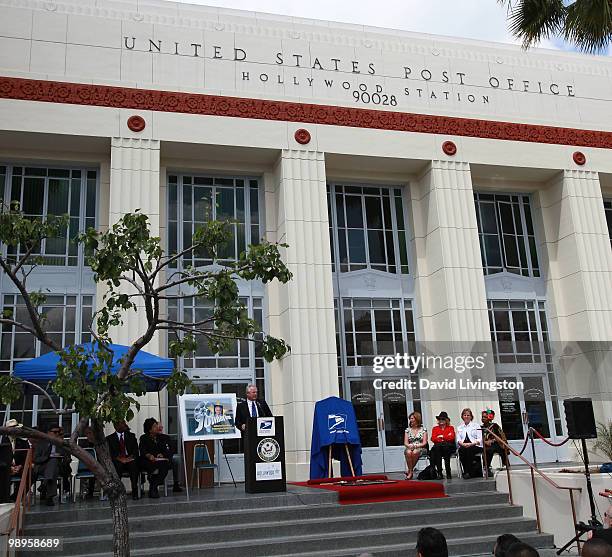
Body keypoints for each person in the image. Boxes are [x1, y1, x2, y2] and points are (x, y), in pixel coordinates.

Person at [33, 424, 71, 506]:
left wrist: (62, 457)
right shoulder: (42, 443)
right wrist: (47, 457)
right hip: (43, 467)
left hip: (59, 467)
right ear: (48, 433)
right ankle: (49, 497)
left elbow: (68, 458)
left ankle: (45, 484)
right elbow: (36, 459)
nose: (57, 434)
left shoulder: (61, 443)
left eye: (58, 432)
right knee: (53, 464)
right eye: (55, 432)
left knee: (54, 465)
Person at [107, 421, 140, 500]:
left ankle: (135, 491)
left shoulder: (131, 436)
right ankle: (117, 492)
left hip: (129, 460)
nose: (125, 424)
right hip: (118, 460)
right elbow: (110, 454)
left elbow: (135, 451)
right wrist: (120, 459)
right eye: (122, 423)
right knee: (117, 466)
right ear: (116, 426)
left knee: (134, 465)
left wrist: (128, 458)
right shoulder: (109, 439)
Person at [139, 418, 170, 498]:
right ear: (149, 429)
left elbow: (166, 450)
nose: (157, 428)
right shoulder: (143, 438)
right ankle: (153, 488)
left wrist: (162, 454)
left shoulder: (160, 438)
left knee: (165, 465)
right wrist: (149, 455)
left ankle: (153, 486)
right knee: (151, 466)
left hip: (158, 460)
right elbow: (142, 451)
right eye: (154, 426)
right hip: (147, 460)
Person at [456, 408, 483, 479]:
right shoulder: (460, 427)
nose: (466, 416)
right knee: (461, 450)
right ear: (462, 416)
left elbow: (479, 439)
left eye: (468, 415)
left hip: (475, 445)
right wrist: (463, 444)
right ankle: (466, 471)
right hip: (464, 445)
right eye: (465, 415)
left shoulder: (476, 425)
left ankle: (468, 472)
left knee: (469, 450)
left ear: (471, 416)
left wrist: (471, 444)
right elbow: (458, 439)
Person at [429, 411, 456, 480]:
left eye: (443, 419)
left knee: (445, 448)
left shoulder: (451, 428)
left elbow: (452, 437)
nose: (441, 420)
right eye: (439, 419)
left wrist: (441, 437)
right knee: (437, 450)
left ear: (446, 420)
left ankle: (448, 472)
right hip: (439, 447)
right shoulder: (435, 428)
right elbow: (433, 438)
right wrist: (445, 438)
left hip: (448, 447)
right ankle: (440, 473)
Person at [481, 408, 507, 475]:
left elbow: (500, 437)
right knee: (487, 449)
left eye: (485, 417)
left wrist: (492, 441)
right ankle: (486, 468)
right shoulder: (480, 427)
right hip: (484, 444)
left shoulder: (494, 426)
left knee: (495, 448)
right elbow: (478, 437)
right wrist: (485, 441)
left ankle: (505, 464)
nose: (483, 418)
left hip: (496, 443)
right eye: (482, 417)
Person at [157, 423, 183, 493]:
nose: (160, 428)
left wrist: (165, 455)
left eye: (161, 427)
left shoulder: (166, 437)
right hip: (156, 459)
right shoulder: (153, 438)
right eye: (158, 427)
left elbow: (171, 450)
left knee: (175, 462)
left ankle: (176, 484)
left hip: (166, 458)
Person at [404, 411, 428, 480]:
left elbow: (424, 443)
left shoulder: (423, 429)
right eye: (410, 419)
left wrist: (416, 446)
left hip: (421, 447)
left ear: (417, 419)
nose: (410, 420)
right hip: (410, 447)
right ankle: (411, 471)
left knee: (415, 452)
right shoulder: (407, 430)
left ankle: (410, 471)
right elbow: (405, 443)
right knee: (408, 452)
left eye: (412, 418)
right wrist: (409, 446)